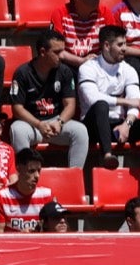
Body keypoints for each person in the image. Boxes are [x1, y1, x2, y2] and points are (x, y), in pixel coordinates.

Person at [9, 30, 90, 172]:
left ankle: (75, 176)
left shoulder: (65, 71)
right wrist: (39, 124)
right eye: (57, 52)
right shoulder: (22, 73)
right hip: (32, 124)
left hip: (56, 123)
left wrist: (60, 122)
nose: (62, 56)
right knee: (17, 129)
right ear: (42, 52)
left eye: (63, 51)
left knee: (81, 131)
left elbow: (70, 104)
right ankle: (25, 176)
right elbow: (17, 108)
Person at [78, 25, 140, 171]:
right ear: (106, 45)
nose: (125, 48)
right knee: (101, 105)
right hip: (93, 127)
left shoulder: (128, 69)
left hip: (119, 126)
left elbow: (136, 101)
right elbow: (93, 99)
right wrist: (125, 101)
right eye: (120, 44)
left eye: (126, 44)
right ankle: (107, 155)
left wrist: (127, 125)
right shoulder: (88, 68)